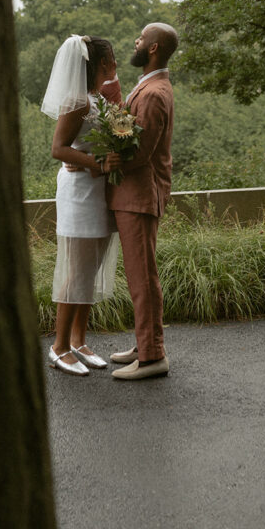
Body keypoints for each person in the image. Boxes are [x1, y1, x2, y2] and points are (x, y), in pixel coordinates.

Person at [41, 34, 120, 376]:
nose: (116, 62)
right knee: (75, 270)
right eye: (113, 57)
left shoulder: (97, 98)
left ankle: (79, 339)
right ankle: (58, 347)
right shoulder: (77, 101)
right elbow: (59, 149)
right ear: (101, 62)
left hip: (99, 194)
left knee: (91, 268)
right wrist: (96, 162)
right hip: (79, 194)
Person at [103, 23, 178, 381]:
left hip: (139, 194)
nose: (136, 41)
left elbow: (140, 153)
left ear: (153, 48)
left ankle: (151, 357)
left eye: (141, 38)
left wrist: (103, 160)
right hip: (136, 194)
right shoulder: (151, 85)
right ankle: (144, 342)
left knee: (142, 278)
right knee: (140, 275)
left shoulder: (152, 93)